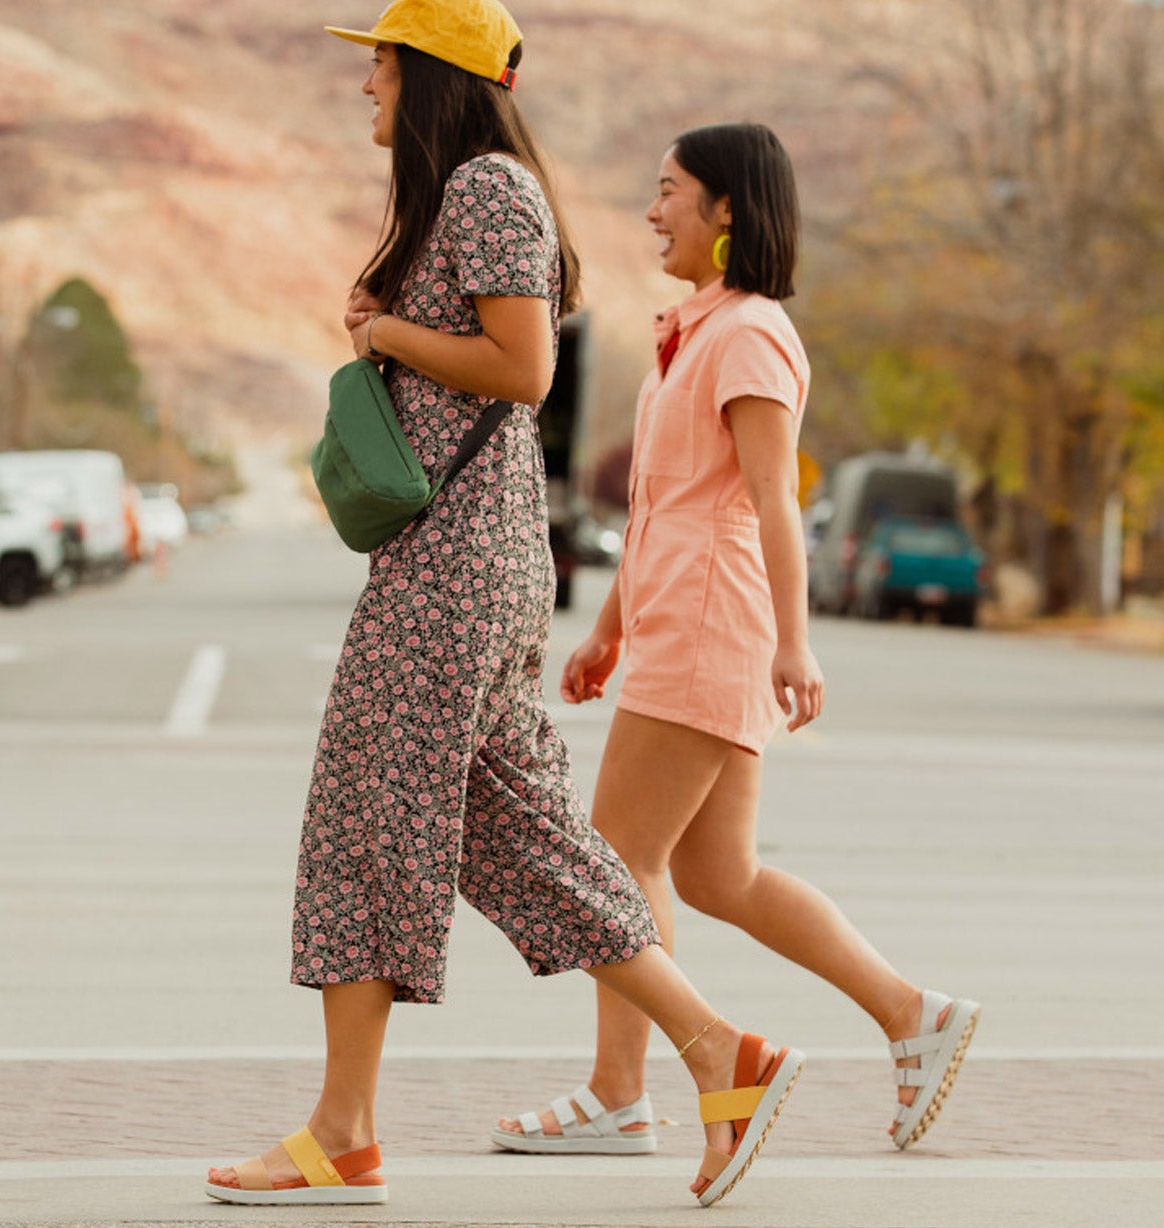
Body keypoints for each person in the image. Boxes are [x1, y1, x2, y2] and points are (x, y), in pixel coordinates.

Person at [206, 3, 802, 1209]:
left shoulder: (486, 189)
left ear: (428, 74)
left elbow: (523, 369)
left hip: (454, 569)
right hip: (467, 558)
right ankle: (719, 1055)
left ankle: (342, 1132)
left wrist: (387, 332)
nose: (363, 87)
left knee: (365, 820)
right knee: (520, 834)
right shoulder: (469, 193)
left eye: (377, 67)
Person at [489, 123, 980, 1160]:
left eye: (671, 191)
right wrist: (609, 630)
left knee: (617, 861)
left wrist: (794, 645)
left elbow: (769, 502)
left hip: (714, 627)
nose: (653, 209)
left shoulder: (751, 334)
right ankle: (912, 1015)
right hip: (673, 621)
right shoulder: (687, 336)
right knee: (720, 876)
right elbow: (666, 505)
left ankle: (624, 1092)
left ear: (727, 214)